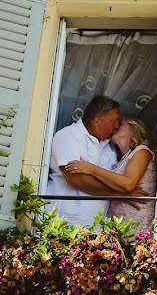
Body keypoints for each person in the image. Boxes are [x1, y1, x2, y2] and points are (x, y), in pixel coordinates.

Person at [64, 119, 157, 231]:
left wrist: (91, 169)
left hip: (136, 222)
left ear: (133, 129)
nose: (116, 125)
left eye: (121, 123)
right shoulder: (123, 158)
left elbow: (128, 184)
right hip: (120, 224)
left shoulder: (142, 151)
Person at [45, 95, 122, 225]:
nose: (117, 126)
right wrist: (120, 193)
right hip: (65, 222)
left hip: (96, 227)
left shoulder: (109, 146)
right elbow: (76, 179)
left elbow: (112, 178)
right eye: (114, 121)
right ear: (97, 121)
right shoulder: (70, 135)